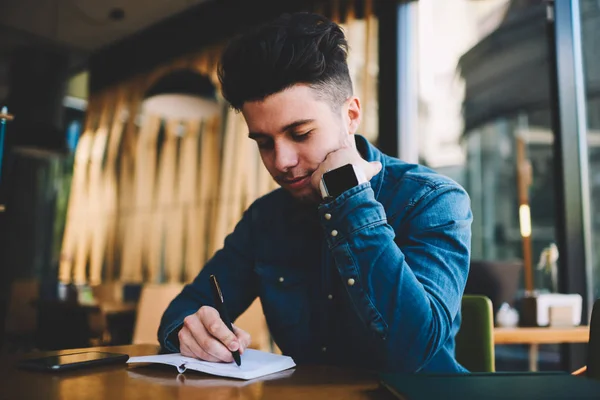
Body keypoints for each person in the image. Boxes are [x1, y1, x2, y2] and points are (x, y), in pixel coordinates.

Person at [158, 12, 472, 373]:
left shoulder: (433, 200)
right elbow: (183, 309)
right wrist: (189, 330)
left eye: (301, 133)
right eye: (263, 143)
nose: (282, 161)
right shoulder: (265, 219)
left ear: (351, 115)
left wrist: (348, 198)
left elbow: (415, 351)